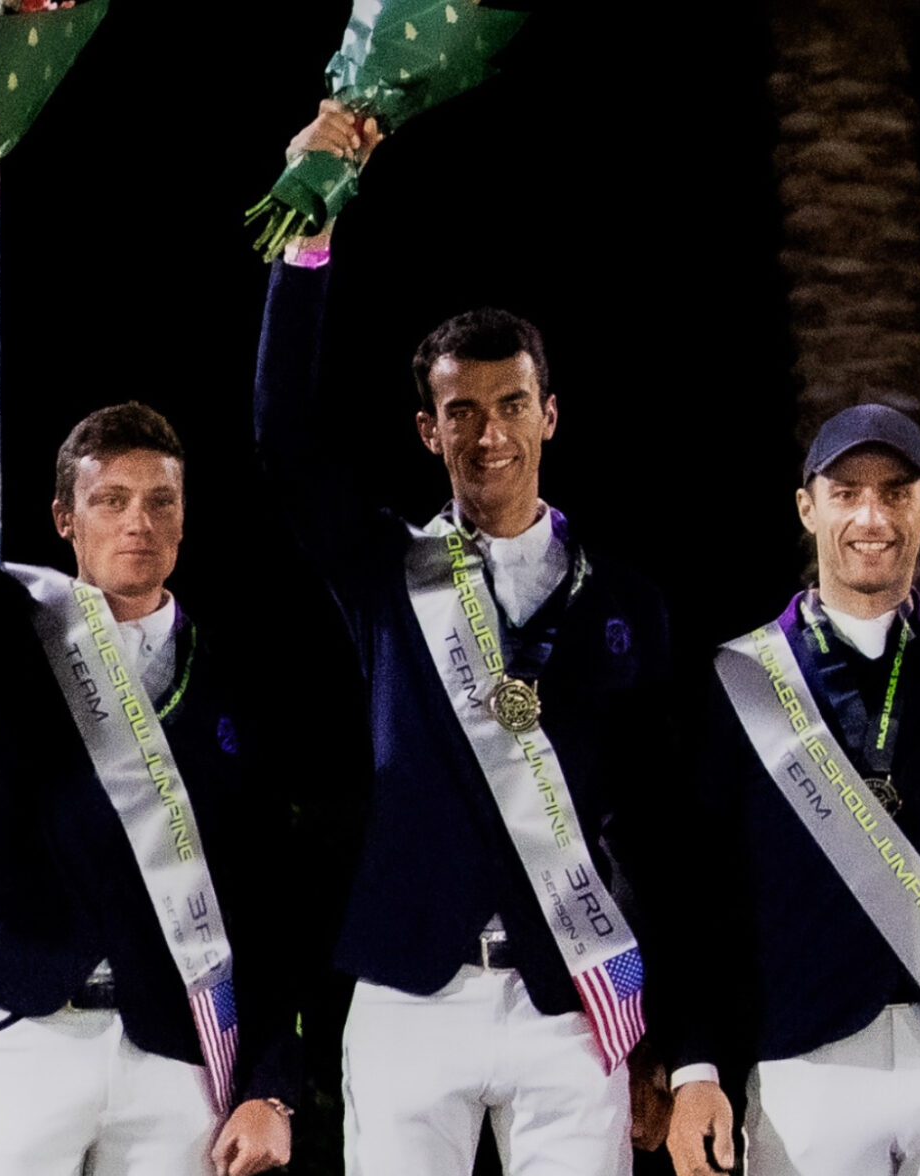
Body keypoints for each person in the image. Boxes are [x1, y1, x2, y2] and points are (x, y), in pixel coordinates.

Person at [254, 101, 679, 1175]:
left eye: (511, 404)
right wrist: (310, 231)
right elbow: (284, 438)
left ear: (549, 416)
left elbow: (661, 822)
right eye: (462, 412)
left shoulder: (627, 599)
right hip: (410, 985)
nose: (488, 433)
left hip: (574, 997)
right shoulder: (385, 574)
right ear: (427, 429)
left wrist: (667, 1037)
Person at [0, 159, 300, 1176]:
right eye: (111, 501)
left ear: (186, 519)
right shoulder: (7, 630)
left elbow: (263, 895)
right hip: (21, 1033)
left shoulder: (233, 676)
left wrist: (270, 1082)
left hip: (176, 1053)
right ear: (63, 520)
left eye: (161, 501)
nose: (138, 522)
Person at [664, 404, 920, 1176]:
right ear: (806, 506)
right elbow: (696, 889)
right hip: (808, 1058)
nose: (870, 517)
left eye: (893, 492)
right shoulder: (740, 681)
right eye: (845, 493)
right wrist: (694, 1064)